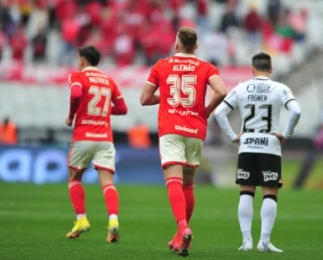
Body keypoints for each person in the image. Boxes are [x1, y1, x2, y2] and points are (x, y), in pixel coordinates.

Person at [140, 26, 227, 256]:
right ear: (196, 47)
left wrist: (166, 97)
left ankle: (182, 226)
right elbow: (222, 91)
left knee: (173, 181)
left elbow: (144, 98)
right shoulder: (206, 67)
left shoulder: (162, 65)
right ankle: (180, 237)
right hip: (195, 130)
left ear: (176, 45)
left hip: (171, 129)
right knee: (188, 184)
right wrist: (207, 110)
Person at [214, 52, 301, 253]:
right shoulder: (280, 88)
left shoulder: (241, 88)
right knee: (270, 192)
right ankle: (264, 242)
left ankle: (246, 242)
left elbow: (219, 113)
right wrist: (286, 133)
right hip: (270, 144)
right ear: (271, 69)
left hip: (247, 144)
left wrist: (233, 136)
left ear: (252, 69)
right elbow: (296, 111)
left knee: (246, 191)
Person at [64, 46, 128, 243]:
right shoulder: (109, 81)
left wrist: (71, 116)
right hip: (104, 138)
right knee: (108, 183)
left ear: (82, 60)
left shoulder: (77, 76)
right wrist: (103, 112)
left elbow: (75, 94)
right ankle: (113, 221)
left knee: (75, 178)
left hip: (83, 135)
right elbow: (123, 108)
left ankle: (81, 219)